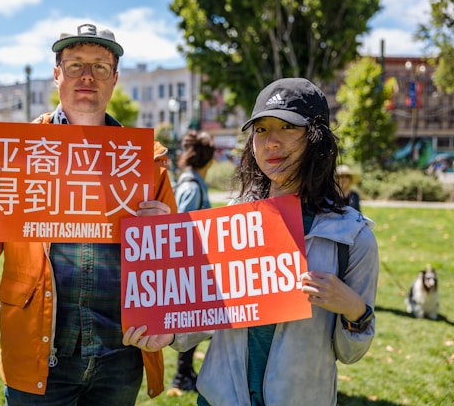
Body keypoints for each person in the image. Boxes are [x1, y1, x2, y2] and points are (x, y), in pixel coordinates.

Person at [0, 23, 177, 405]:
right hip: (39, 355)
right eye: (74, 65)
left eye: (100, 67)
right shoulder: (16, 154)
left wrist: (163, 234)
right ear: (56, 75)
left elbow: (172, 265)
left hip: (121, 355)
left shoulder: (148, 164)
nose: (87, 76)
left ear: (114, 79)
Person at [123, 78, 379, 406]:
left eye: (287, 126)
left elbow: (351, 353)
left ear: (317, 139)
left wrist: (354, 309)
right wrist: (170, 333)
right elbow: (208, 309)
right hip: (217, 399)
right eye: (260, 129)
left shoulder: (353, 237)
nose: (270, 141)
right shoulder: (235, 219)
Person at [170, 130, 215, 393]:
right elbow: (177, 230)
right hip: (189, 269)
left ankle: (185, 373)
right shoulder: (192, 187)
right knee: (192, 324)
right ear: (209, 160)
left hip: (194, 267)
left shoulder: (192, 183)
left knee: (195, 323)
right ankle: (182, 376)